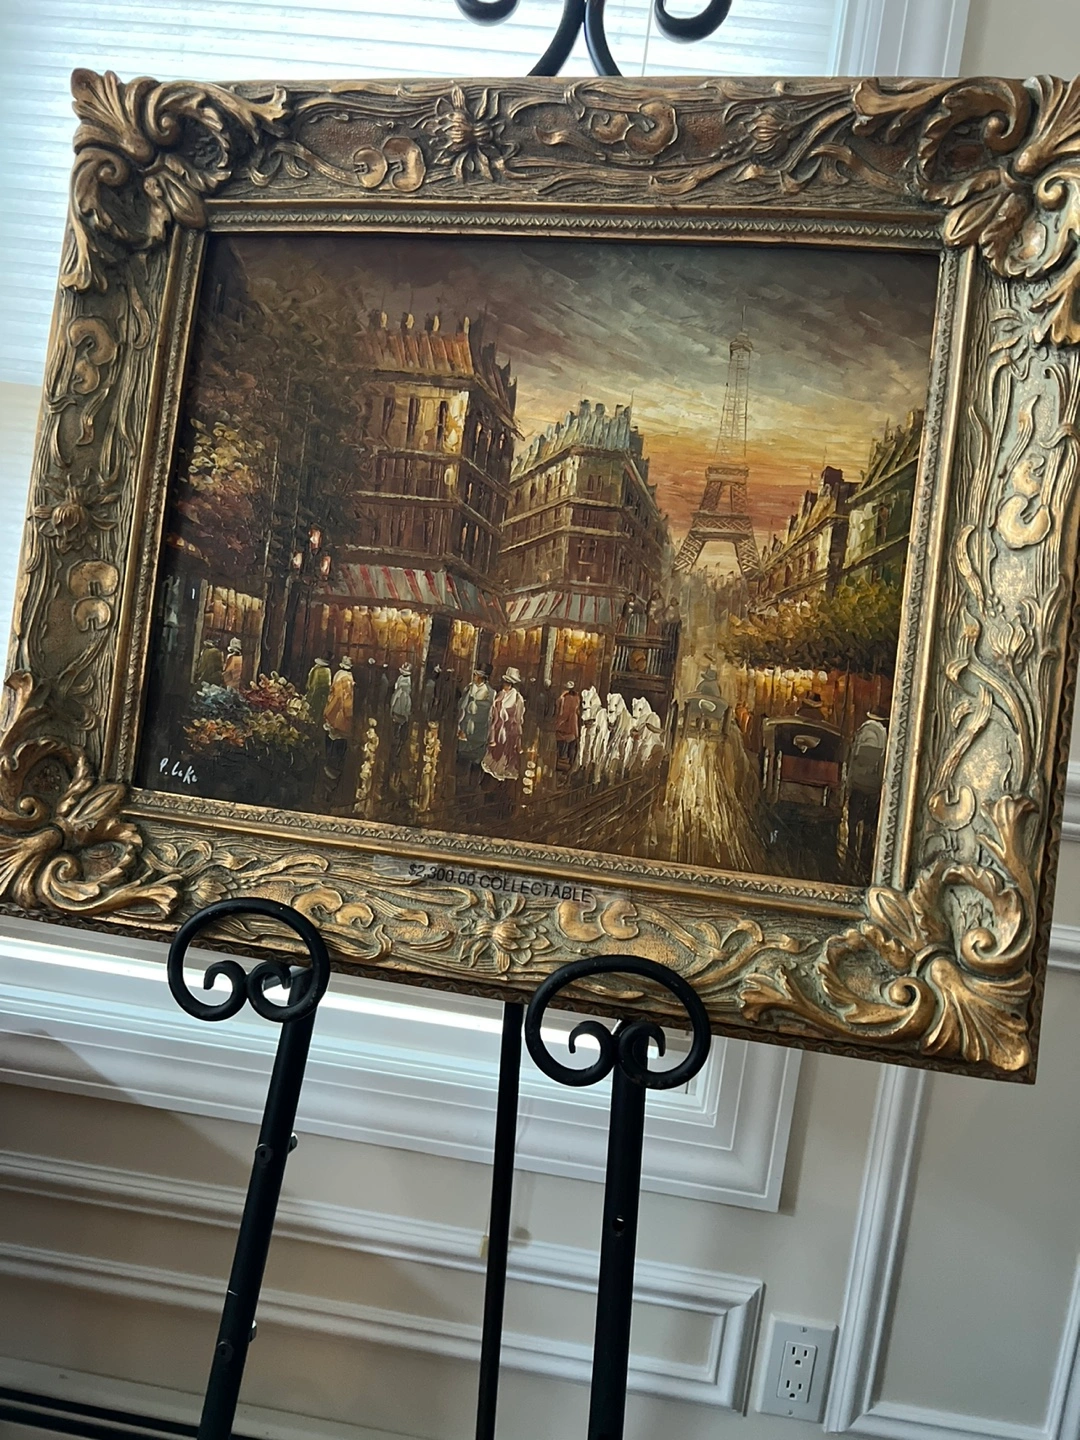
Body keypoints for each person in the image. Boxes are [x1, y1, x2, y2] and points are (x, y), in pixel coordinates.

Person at [846, 710, 889, 875]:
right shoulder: (881, 732)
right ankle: (862, 863)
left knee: (854, 825)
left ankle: (853, 862)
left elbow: (866, 758)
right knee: (867, 827)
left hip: (862, 785)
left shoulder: (870, 730)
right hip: (872, 787)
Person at [483, 667, 526, 782]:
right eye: (505, 682)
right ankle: (493, 773)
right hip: (498, 728)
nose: (505, 685)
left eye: (508, 683)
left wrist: (518, 733)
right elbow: (493, 713)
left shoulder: (517, 698)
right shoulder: (500, 695)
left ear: (512, 684)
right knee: (495, 751)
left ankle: (502, 772)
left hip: (509, 730)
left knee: (506, 752)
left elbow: (518, 718)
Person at [321, 657, 354, 796]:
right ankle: (335, 763)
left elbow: (332, 691)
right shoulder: (347, 679)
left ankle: (328, 757)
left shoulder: (338, 674)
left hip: (333, 706)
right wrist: (348, 713)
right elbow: (347, 699)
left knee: (330, 732)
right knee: (339, 734)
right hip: (340, 710)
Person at [458, 666, 495, 770]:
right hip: (466, 724)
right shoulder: (469, 688)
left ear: (482, 677)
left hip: (480, 727)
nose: (474, 677)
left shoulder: (491, 692)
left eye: (476, 675)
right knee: (462, 754)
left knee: (476, 755)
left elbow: (492, 712)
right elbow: (462, 706)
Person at [554, 679, 581, 773]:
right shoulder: (577, 698)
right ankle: (569, 768)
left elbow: (560, 709)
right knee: (571, 747)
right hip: (572, 726)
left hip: (565, 725)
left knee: (561, 746)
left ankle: (561, 765)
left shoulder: (565, 698)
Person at [305, 657, 331, 728]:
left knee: (311, 707)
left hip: (315, 692)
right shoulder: (327, 670)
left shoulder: (315, 669)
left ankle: (309, 722)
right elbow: (328, 684)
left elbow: (312, 683)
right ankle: (314, 724)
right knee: (318, 709)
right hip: (321, 693)